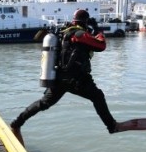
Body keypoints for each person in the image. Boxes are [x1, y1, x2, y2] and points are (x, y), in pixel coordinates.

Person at [10, 9, 123, 141]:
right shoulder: (79, 34)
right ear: (86, 22)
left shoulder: (63, 32)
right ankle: (111, 126)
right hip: (77, 79)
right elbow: (101, 45)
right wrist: (97, 30)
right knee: (98, 96)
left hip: (59, 78)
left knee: (43, 103)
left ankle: (16, 123)